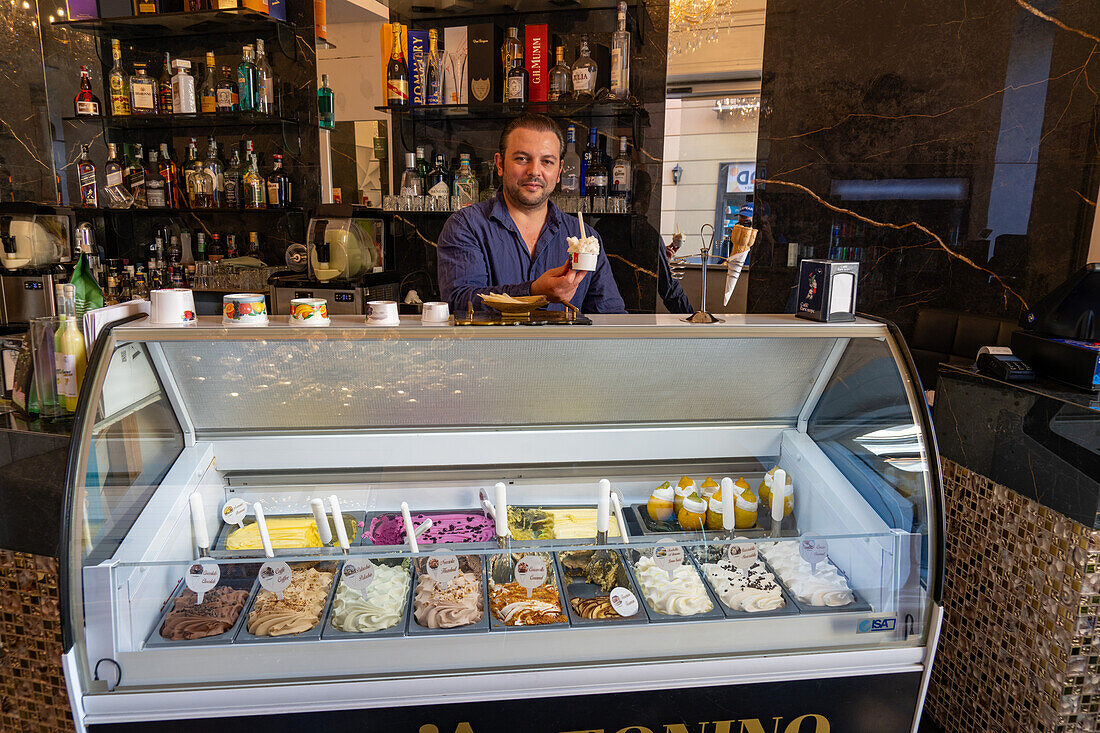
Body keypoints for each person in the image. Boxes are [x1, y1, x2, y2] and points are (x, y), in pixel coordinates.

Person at [436, 114, 626, 314]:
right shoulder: (466, 226)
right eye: (522, 159)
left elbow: (610, 316)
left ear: (559, 170)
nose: (535, 171)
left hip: (564, 347)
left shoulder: (585, 236)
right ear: (500, 164)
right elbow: (459, 303)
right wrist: (533, 292)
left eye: (547, 162)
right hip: (492, 346)